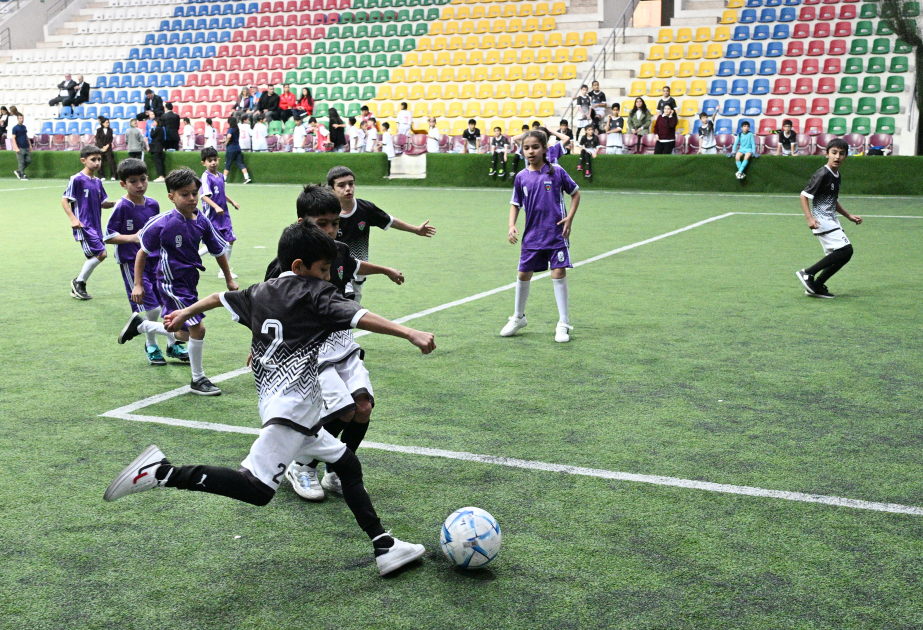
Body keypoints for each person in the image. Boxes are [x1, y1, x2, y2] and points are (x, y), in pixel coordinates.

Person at [104, 221, 434, 577]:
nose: (327, 277)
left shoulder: (260, 291)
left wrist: (185, 312)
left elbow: (219, 298)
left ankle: (384, 545)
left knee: (348, 465)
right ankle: (162, 472)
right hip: (291, 410)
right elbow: (361, 316)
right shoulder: (315, 293)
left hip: (289, 407)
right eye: (323, 269)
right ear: (298, 267)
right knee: (257, 490)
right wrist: (409, 332)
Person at [263, 186, 406, 501]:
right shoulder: (285, 264)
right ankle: (302, 465)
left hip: (342, 342)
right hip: (308, 347)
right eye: (322, 223)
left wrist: (384, 270)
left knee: (363, 407)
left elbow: (353, 267)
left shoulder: (339, 251)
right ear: (303, 222)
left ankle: (337, 469)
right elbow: (266, 308)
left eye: (335, 223)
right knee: (341, 411)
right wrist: (260, 345)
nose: (330, 230)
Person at [126, 167, 237, 394]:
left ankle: (142, 325)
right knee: (198, 328)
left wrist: (228, 280)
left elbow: (218, 251)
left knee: (183, 333)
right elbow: (142, 253)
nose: (192, 198)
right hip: (170, 283)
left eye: (195, 193)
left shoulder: (203, 222)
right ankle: (198, 379)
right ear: (171, 196)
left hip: (189, 283)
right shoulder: (161, 223)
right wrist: (138, 284)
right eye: (185, 194)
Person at [106, 158, 189, 366]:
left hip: (156, 261)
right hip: (131, 262)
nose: (140, 185)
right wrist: (132, 237)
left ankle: (173, 345)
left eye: (143, 179)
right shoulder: (121, 206)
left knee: (166, 304)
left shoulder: (153, 204)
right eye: (133, 181)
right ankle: (151, 345)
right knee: (151, 308)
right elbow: (107, 236)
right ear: (123, 184)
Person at [501, 130, 581, 344]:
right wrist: (511, 225)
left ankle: (563, 323)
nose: (530, 151)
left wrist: (569, 219)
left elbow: (575, 194)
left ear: (545, 148)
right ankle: (518, 317)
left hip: (556, 235)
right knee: (523, 275)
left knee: (558, 273)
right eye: (526, 148)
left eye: (535, 147)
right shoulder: (521, 177)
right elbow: (515, 203)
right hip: (532, 237)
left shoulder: (557, 172)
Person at [328, 165, 436, 302]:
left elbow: (390, 221)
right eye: (341, 185)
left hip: (360, 268)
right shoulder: (328, 214)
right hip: (338, 268)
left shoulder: (365, 208)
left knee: (353, 306)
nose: (348, 188)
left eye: (351, 183)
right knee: (341, 302)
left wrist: (416, 229)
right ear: (332, 189)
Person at [795, 139, 862, 300]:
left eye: (841, 153)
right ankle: (808, 273)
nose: (837, 156)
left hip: (831, 219)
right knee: (846, 250)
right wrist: (809, 218)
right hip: (820, 219)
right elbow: (804, 196)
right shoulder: (823, 173)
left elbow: (833, 200)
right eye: (834, 152)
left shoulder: (837, 175)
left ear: (845, 156)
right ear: (826, 154)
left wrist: (848, 216)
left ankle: (816, 286)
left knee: (843, 255)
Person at [62, 145, 116, 300]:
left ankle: (79, 285)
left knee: (94, 255)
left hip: (96, 226)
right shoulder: (76, 179)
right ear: (83, 161)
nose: (97, 162)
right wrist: (73, 218)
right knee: (101, 253)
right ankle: (78, 282)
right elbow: (65, 199)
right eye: (93, 159)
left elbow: (103, 203)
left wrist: (117, 203)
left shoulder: (98, 181)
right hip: (83, 225)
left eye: (99, 159)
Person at [198, 146, 242, 280]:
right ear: (203, 163)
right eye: (209, 160)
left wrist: (232, 202)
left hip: (224, 215)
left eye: (215, 160)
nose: (213, 163)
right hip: (212, 216)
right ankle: (191, 257)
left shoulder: (221, 176)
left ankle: (224, 271)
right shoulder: (205, 177)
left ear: (219, 159)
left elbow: (221, 193)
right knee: (218, 243)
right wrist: (216, 207)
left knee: (230, 240)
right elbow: (204, 196)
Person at [222, 116, 251, 183]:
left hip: (230, 149)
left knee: (227, 164)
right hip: (237, 148)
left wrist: (226, 142)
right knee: (241, 163)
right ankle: (247, 177)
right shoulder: (237, 129)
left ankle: (223, 180)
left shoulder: (230, 129)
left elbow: (229, 136)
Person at [11, 114, 32, 181]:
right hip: (20, 147)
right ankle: (22, 174)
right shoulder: (15, 128)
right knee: (21, 162)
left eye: (22, 118)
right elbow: (13, 138)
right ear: (18, 119)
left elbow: (26, 136)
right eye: (20, 118)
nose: (21, 120)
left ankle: (19, 171)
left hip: (26, 146)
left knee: (28, 160)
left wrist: (30, 145)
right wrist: (15, 147)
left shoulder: (24, 127)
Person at [148, 117, 167, 182]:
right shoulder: (161, 129)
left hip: (156, 148)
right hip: (159, 148)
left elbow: (152, 135)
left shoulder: (158, 129)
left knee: (158, 163)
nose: (153, 123)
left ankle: (161, 176)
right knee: (159, 162)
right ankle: (161, 176)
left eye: (154, 122)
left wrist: (152, 128)